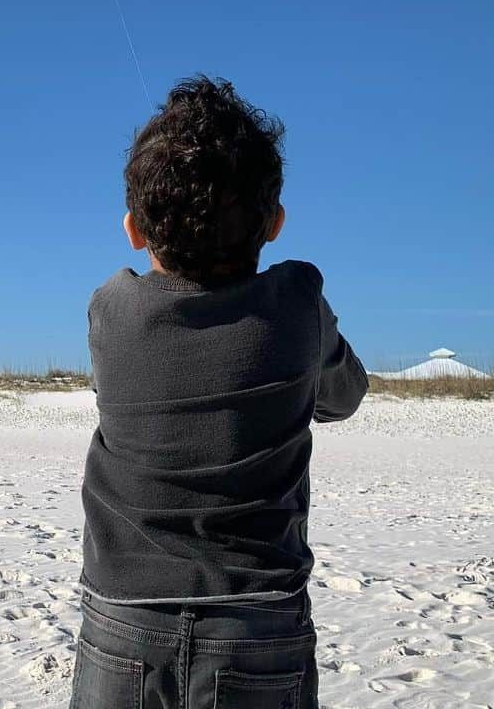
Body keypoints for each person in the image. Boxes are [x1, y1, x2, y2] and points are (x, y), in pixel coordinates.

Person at [71, 76, 368, 709]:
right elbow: (345, 395)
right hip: (258, 623)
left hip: (122, 618)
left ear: (133, 230)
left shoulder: (111, 311)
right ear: (276, 222)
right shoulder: (296, 306)